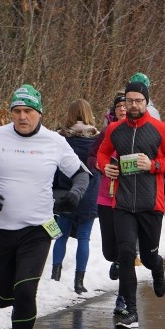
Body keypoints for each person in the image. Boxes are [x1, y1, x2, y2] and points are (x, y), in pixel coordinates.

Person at [0, 84, 90, 329]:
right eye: (17, 111)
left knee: (25, 291)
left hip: (38, 230)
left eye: (28, 111)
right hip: (0, 229)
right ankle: (12, 307)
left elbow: (82, 174)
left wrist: (74, 195)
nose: (22, 117)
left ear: (39, 113)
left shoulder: (55, 142)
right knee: (2, 298)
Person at [96, 81, 165, 329]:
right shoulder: (115, 129)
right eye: (129, 101)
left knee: (147, 257)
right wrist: (106, 167)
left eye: (139, 101)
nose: (133, 105)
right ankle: (131, 311)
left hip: (150, 204)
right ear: (124, 103)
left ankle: (157, 268)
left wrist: (154, 165)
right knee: (125, 254)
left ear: (146, 102)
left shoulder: (161, 129)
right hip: (122, 203)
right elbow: (102, 154)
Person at [51, 99, 101, 294]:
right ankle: (79, 282)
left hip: (66, 193)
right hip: (89, 196)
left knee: (61, 237)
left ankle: (55, 277)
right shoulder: (98, 140)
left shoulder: (60, 140)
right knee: (84, 238)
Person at [90, 93, 128, 315]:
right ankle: (115, 261)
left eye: (127, 105)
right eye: (120, 106)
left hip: (130, 199)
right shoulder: (106, 132)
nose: (124, 109)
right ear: (114, 111)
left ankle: (122, 299)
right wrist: (102, 166)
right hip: (106, 196)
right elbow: (91, 157)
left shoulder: (140, 133)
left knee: (126, 248)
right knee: (109, 251)